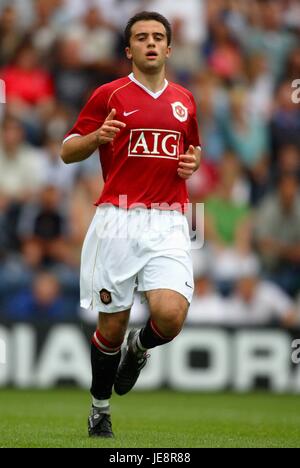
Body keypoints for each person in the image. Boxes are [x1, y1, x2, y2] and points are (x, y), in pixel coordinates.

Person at [61, 11, 201, 438]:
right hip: (118, 220)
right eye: (142, 38)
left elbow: (191, 150)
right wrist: (96, 138)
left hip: (169, 219)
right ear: (129, 50)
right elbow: (68, 150)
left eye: (159, 37)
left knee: (171, 316)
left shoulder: (185, 100)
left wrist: (193, 162)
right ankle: (99, 409)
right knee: (111, 327)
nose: (151, 43)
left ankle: (139, 350)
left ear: (170, 48)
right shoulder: (109, 94)